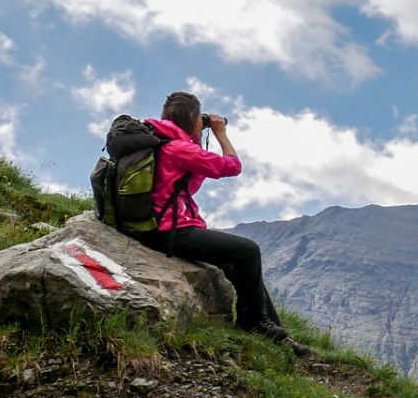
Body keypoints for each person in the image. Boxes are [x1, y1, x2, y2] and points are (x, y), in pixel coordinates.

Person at [131, 90, 311, 357]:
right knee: (248, 250)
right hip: (169, 232)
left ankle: (274, 332)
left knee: (241, 269)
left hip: (157, 227)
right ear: (192, 118)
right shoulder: (179, 148)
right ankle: (251, 323)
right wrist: (220, 133)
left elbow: (187, 185)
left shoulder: (161, 142)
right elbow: (231, 166)